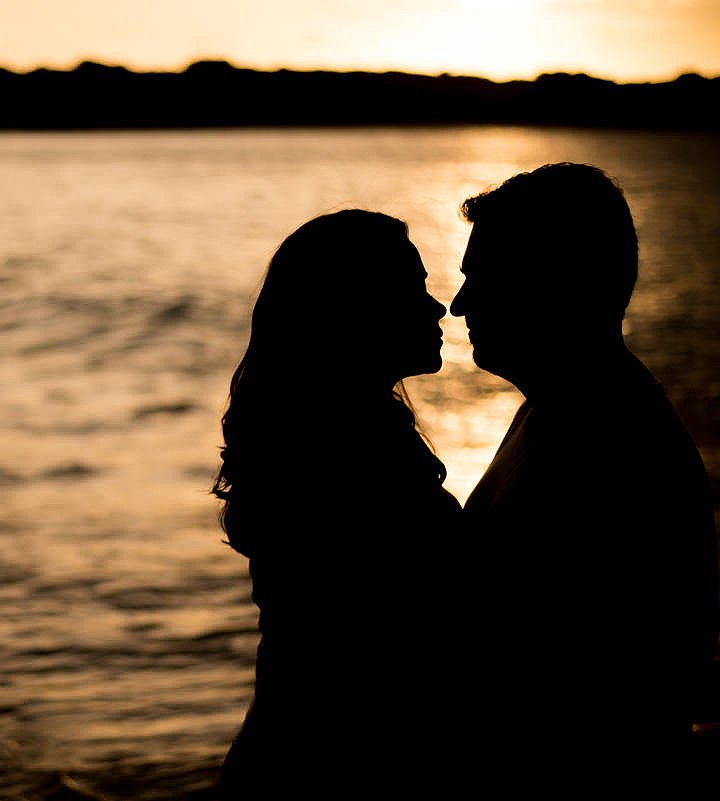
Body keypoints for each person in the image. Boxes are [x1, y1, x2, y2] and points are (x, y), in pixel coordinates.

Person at [450, 163, 717, 762]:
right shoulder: (556, 409)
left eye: (482, 278)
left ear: (548, 282)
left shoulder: (616, 442)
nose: (460, 304)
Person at [213, 210, 462, 796]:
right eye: (414, 290)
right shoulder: (345, 463)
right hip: (328, 772)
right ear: (354, 311)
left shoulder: (330, 438)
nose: (439, 308)